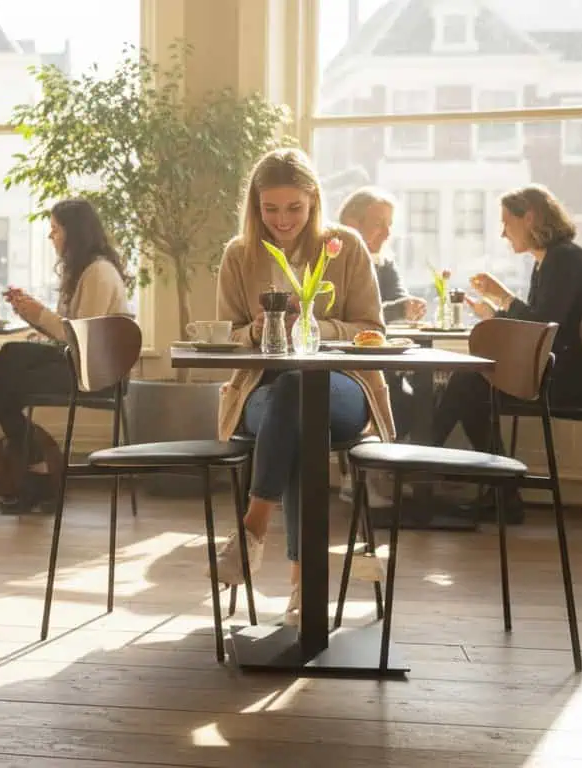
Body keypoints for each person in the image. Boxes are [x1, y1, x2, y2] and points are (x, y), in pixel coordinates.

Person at [211, 149, 395, 625]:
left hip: (343, 388)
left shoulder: (345, 246)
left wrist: (312, 322)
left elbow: (370, 328)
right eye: (270, 209)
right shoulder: (238, 254)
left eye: (294, 207)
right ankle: (302, 587)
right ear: (255, 206)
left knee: (298, 398)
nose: (282, 220)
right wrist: (257, 328)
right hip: (261, 392)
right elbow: (227, 336)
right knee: (293, 414)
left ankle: (253, 527)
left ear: (314, 201)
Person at [0, 198, 132, 510]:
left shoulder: (98, 272)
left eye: (55, 230)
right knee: (9, 381)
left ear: (74, 233)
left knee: (10, 361)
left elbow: (80, 339)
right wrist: (31, 313)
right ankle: (36, 477)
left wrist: (39, 313)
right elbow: (65, 336)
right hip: (81, 364)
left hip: (98, 373)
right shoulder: (84, 271)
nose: (51, 237)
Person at [433, 184, 582, 521]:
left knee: (467, 385)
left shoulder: (563, 260)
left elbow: (542, 330)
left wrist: (502, 300)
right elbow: (540, 325)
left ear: (529, 218)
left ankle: (416, 468)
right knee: (469, 385)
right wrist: (499, 310)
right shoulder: (551, 261)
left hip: (569, 382)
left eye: (506, 222)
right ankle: (500, 492)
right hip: (564, 373)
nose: (502, 232)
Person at [338, 187, 420, 443]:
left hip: (384, 362)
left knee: (416, 400)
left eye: (389, 225)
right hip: (350, 364)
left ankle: (399, 469)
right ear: (352, 224)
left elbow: (399, 297)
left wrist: (409, 306)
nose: (387, 233)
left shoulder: (384, 263)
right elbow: (357, 316)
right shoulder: (336, 262)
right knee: (406, 401)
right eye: (379, 224)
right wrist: (398, 308)